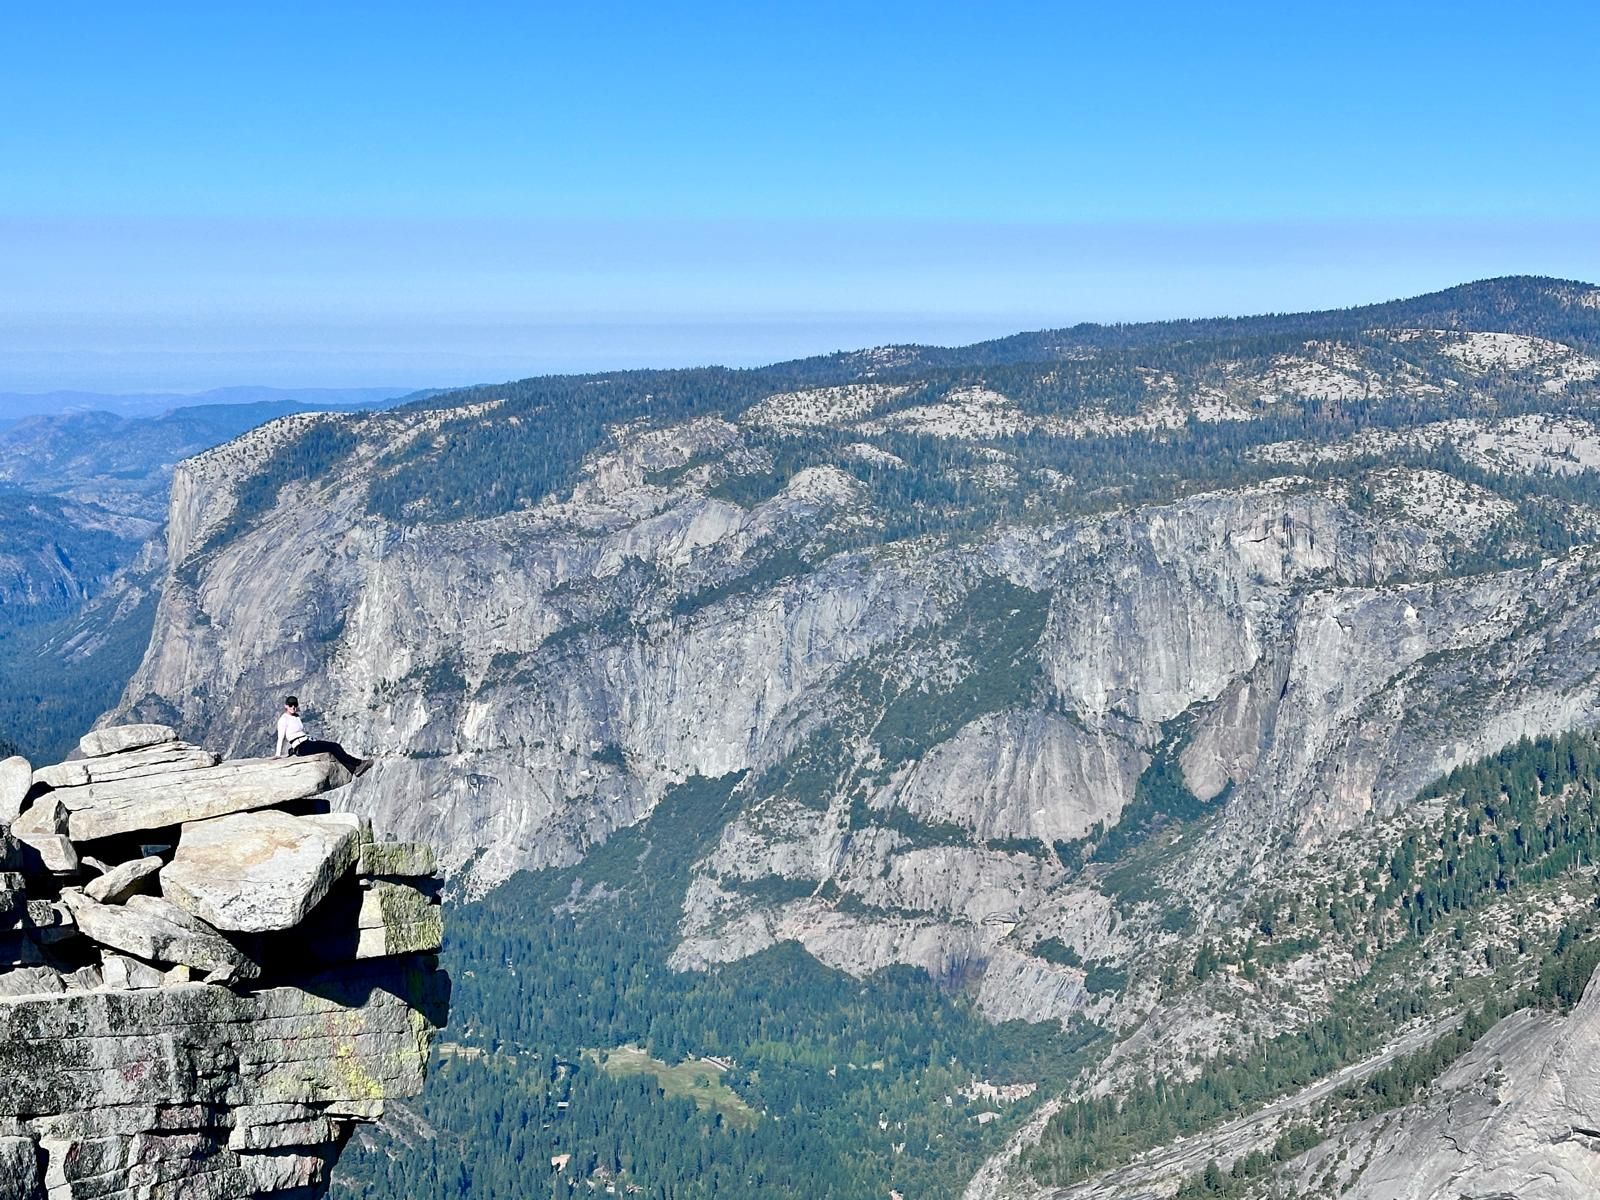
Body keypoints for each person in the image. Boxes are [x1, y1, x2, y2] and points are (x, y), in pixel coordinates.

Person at [275, 695, 372, 777]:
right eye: (291, 705)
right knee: (333, 747)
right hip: (301, 747)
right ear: (286, 706)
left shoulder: (296, 717)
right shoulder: (283, 720)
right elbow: (281, 738)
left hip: (307, 742)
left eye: (295, 705)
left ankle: (354, 768)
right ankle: (358, 764)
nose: (293, 707)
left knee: (335, 746)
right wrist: (278, 755)